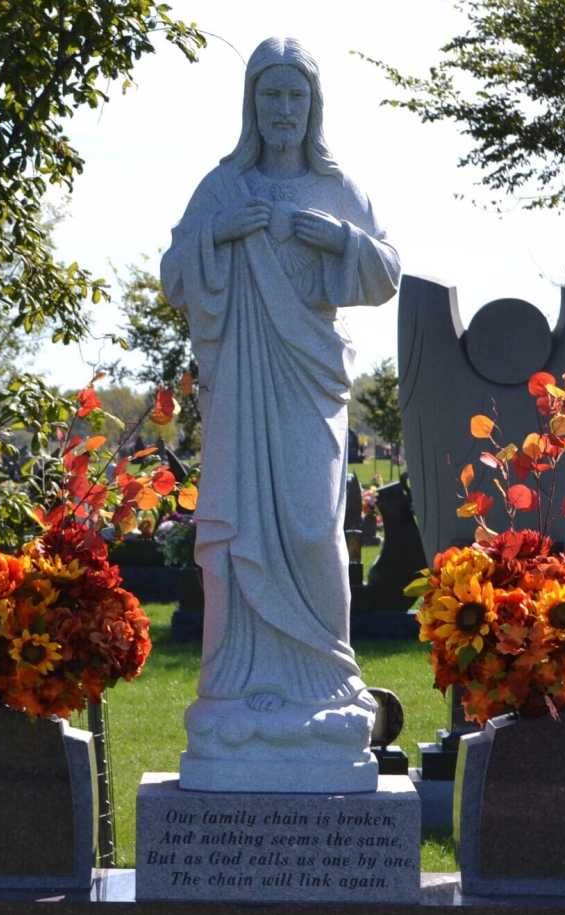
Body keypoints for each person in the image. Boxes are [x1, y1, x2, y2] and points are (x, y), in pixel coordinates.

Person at [160, 37, 401, 793]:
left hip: (308, 382)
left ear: (314, 105)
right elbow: (174, 275)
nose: (284, 111)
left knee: (310, 524)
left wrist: (340, 242)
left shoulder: (339, 189)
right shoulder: (222, 188)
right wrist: (219, 238)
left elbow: (387, 272)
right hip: (238, 383)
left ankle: (328, 678)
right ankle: (237, 683)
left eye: (296, 96)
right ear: (252, 104)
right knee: (238, 537)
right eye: (271, 96)